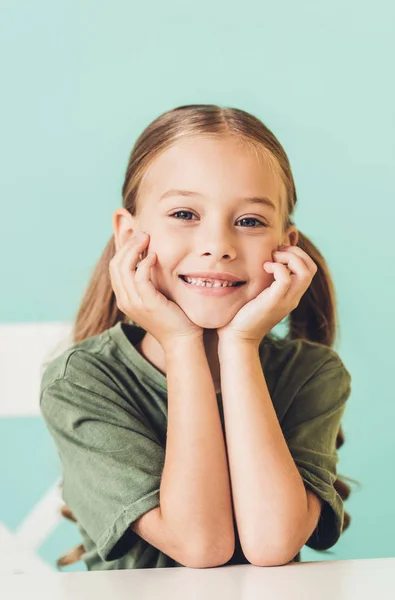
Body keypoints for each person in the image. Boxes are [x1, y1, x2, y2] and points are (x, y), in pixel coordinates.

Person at [40, 104, 355, 571]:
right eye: (185, 213)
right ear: (130, 236)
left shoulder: (310, 374)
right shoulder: (81, 382)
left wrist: (240, 346)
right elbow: (202, 546)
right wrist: (183, 344)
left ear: (286, 248)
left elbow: (272, 544)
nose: (218, 245)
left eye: (249, 221)